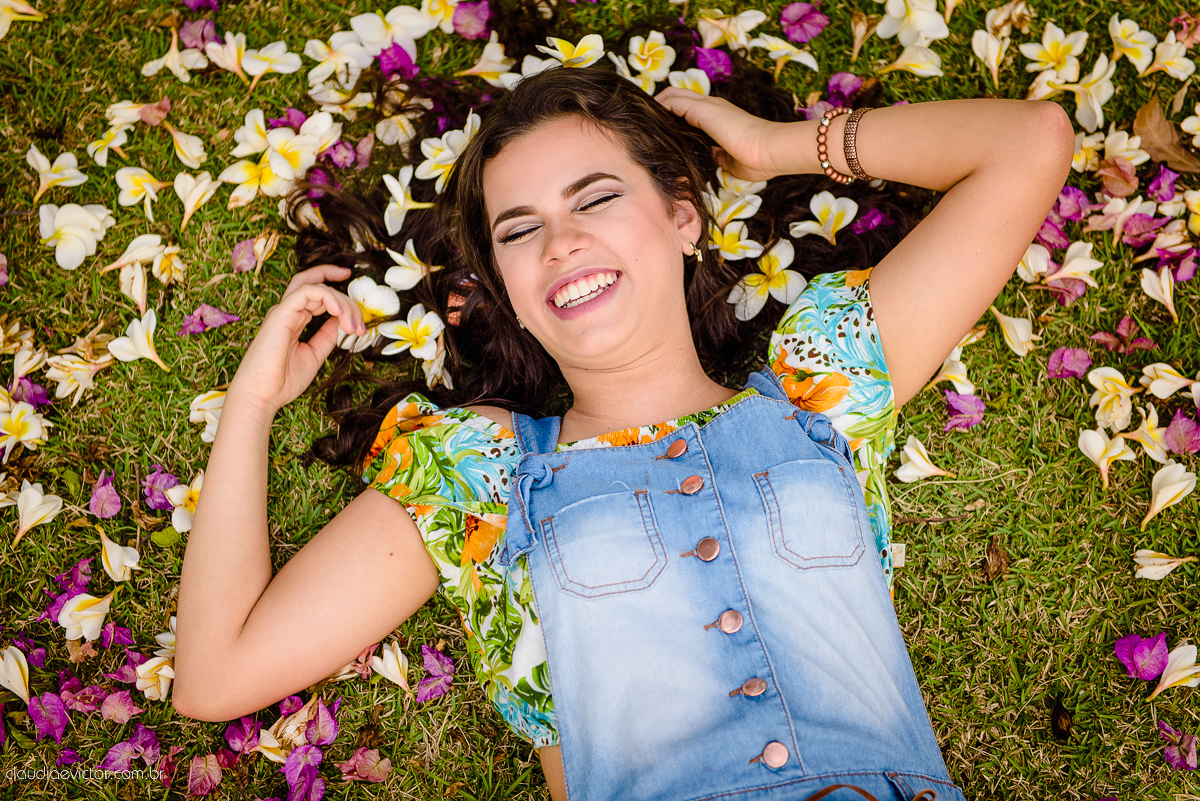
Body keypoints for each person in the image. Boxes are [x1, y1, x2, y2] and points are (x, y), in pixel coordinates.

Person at [171, 51, 1074, 801]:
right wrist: (250, 405)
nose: (559, 242)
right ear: (509, 295)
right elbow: (217, 674)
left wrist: (775, 145)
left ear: (683, 215)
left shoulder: (821, 385)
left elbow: (1029, 141)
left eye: (596, 198)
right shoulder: (479, 471)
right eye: (519, 231)